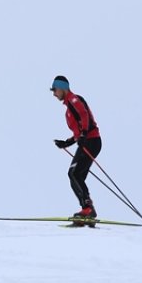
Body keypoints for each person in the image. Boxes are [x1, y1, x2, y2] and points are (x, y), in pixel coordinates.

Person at [50, 75, 101, 220]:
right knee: (77, 175)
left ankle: (87, 208)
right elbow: (78, 132)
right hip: (89, 140)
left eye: (54, 90)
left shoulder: (74, 100)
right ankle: (88, 209)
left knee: (73, 173)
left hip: (91, 140)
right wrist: (67, 143)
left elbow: (84, 115)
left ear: (62, 88)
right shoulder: (68, 107)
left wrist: (84, 134)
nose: (54, 94)